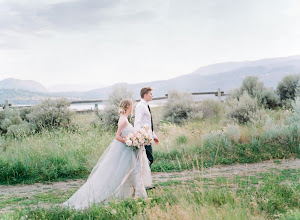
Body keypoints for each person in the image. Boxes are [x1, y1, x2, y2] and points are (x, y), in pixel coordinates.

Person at [62, 99, 152, 210]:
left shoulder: (125, 119)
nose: (132, 108)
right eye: (132, 106)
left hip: (129, 151)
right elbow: (117, 137)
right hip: (125, 151)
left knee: (133, 173)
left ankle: (137, 195)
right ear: (128, 107)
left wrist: (135, 139)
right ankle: (135, 196)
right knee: (122, 174)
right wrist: (132, 141)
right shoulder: (123, 120)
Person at [134, 87, 159, 167]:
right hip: (143, 138)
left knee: (148, 159)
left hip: (148, 137)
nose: (152, 96)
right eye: (151, 94)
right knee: (148, 159)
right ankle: (142, 177)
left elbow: (148, 123)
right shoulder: (140, 106)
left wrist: (154, 136)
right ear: (145, 95)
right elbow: (137, 122)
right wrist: (138, 137)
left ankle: (143, 177)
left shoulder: (146, 106)